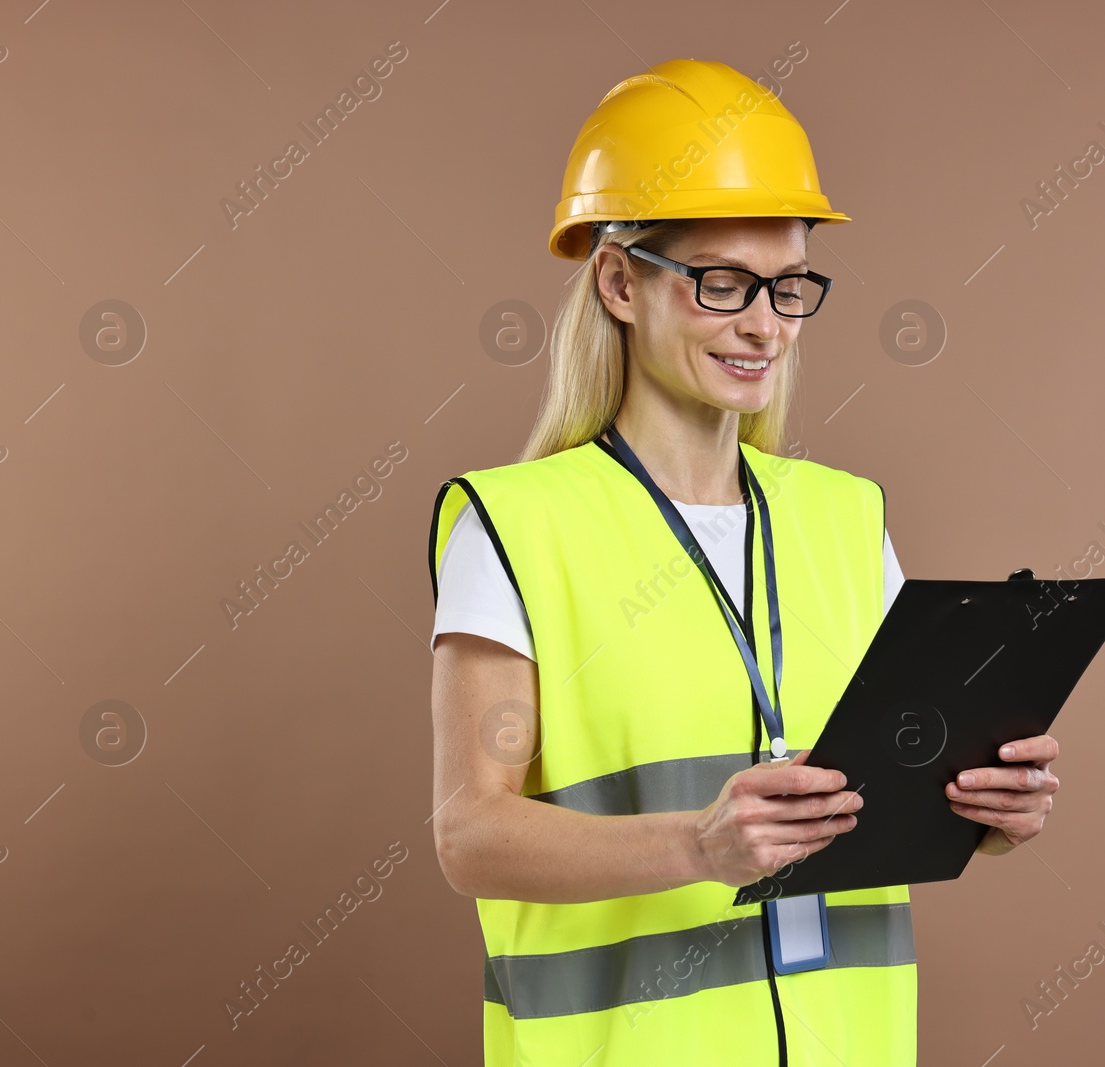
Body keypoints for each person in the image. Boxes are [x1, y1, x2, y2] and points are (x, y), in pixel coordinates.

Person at [427, 58, 1060, 1067]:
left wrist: (988, 810)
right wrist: (694, 846)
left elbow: (897, 798)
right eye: (723, 282)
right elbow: (469, 833)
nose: (763, 323)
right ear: (620, 280)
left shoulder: (848, 521)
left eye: (790, 285)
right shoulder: (514, 527)